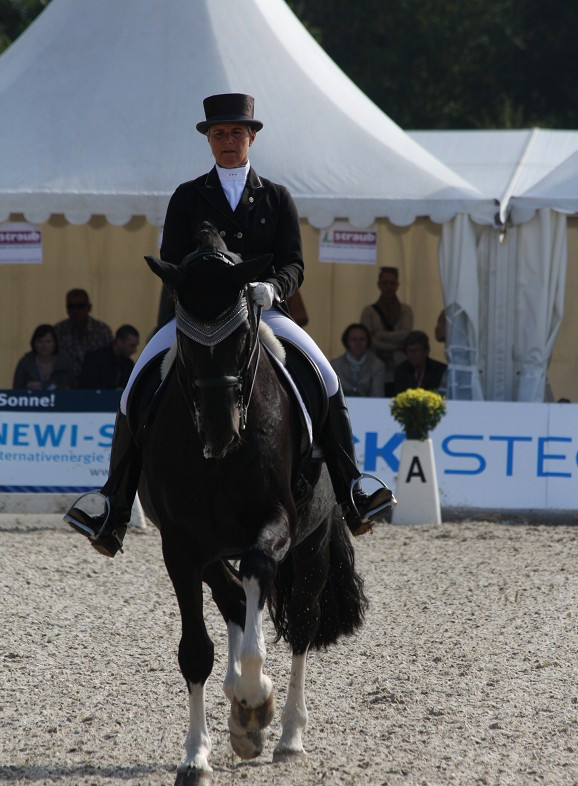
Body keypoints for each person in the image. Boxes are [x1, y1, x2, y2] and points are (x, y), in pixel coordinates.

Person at [65, 93, 394, 556]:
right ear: (209, 141)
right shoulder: (188, 196)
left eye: (236, 133)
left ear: (251, 138)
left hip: (264, 311)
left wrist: (274, 289)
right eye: (219, 134)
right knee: (134, 385)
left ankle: (352, 490)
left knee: (325, 374)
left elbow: (295, 264)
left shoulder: (276, 197)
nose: (227, 141)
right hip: (199, 316)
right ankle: (112, 505)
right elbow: (174, 262)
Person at [360, 267, 414, 396]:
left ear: (397, 285)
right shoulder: (369, 311)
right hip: (375, 366)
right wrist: (396, 344)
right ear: (379, 285)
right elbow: (368, 340)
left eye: (392, 283)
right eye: (385, 283)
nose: (389, 287)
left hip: (400, 365)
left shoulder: (406, 310)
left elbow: (406, 335)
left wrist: (379, 336)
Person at [54, 289, 113, 380]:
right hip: (65, 386)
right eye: (71, 307)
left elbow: (110, 361)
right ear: (67, 309)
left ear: (89, 308)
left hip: (97, 385)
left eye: (80, 306)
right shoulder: (58, 331)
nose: (75, 311)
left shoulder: (102, 331)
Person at [12, 324, 76, 390]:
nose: (44, 346)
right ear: (34, 343)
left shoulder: (64, 363)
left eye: (48, 342)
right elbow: (16, 392)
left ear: (55, 343)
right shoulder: (25, 363)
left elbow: (72, 389)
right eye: (40, 341)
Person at [331, 323, 385, 397]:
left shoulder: (378, 365)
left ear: (368, 341)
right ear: (346, 342)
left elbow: (377, 396)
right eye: (354, 339)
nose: (358, 343)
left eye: (362, 339)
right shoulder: (335, 365)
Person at [79, 325, 140, 390]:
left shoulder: (128, 364)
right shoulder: (95, 360)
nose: (134, 350)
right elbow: (88, 385)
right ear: (119, 342)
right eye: (132, 345)